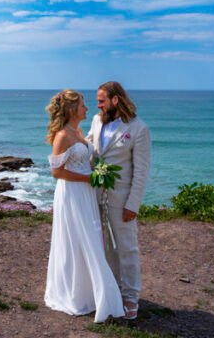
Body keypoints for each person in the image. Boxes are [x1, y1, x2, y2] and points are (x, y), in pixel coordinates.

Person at [44, 89, 125, 322]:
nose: (87, 108)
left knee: (89, 239)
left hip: (86, 193)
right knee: (78, 239)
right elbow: (56, 171)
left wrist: (98, 172)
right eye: (82, 104)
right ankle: (78, 294)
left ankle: (91, 291)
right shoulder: (62, 136)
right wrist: (88, 178)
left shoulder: (78, 131)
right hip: (72, 194)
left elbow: (86, 159)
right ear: (71, 109)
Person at [87, 81, 150, 320]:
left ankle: (131, 297)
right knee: (103, 245)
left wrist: (132, 204)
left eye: (102, 100)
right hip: (95, 194)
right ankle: (112, 290)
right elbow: (89, 147)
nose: (98, 104)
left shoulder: (138, 128)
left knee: (127, 247)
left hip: (121, 197)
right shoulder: (96, 120)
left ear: (116, 100)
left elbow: (141, 170)